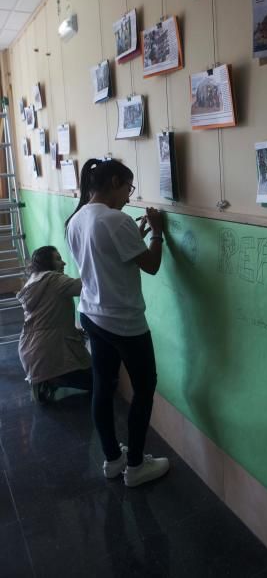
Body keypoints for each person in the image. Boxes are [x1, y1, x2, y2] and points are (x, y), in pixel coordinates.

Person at [65, 158, 168, 488]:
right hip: (124, 321)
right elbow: (150, 265)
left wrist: (138, 233)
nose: (129, 195)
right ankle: (136, 466)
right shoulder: (115, 220)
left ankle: (113, 459)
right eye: (128, 187)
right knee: (145, 388)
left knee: (103, 386)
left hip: (92, 316)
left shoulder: (78, 217)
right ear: (113, 182)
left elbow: (108, 254)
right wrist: (159, 235)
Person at [17, 246, 92, 403]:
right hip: (48, 352)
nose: (63, 262)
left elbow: (47, 320)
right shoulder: (54, 280)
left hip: (30, 352)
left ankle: (44, 380)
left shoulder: (31, 283)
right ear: (47, 263)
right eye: (58, 259)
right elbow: (88, 286)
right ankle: (53, 378)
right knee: (103, 383)